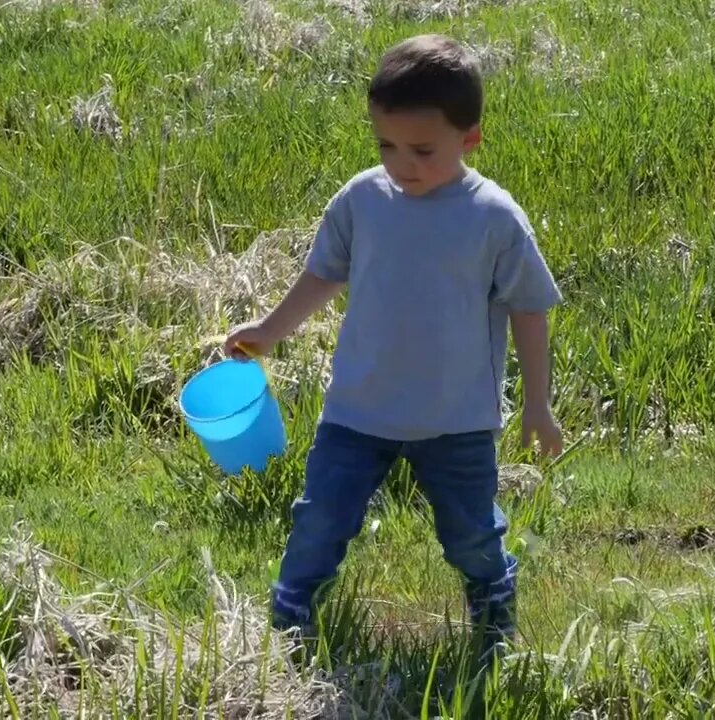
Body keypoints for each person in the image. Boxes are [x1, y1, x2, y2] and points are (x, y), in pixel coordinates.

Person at [223, 33, 563, 663]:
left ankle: (492, 600)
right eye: (386, 145)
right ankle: (290, 613)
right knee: (320, 518)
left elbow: (529, 308)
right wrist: (270, 330)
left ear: (470, 138)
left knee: (470, 536)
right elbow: (324, 272)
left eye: (422, 150)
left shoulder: (493, 217)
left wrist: (537, 405)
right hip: (359, 408)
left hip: (456, 418)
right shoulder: (362, 200)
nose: (401, 163)